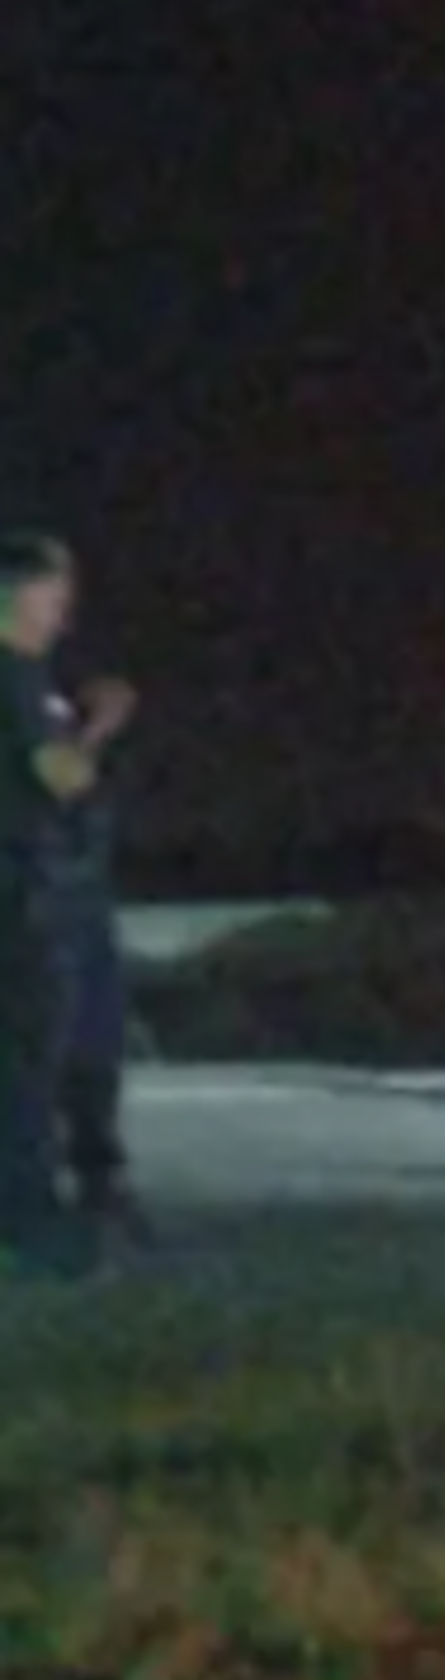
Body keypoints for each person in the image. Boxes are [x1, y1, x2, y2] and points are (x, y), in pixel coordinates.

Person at [0, 532, 124, 1276]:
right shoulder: (13, 678)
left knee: (51, 1060)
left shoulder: (30, 676)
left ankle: (59, 1203)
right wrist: (101, 726)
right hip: (27, 902)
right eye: (53, 597)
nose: (63, 615)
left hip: (41, 897)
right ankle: (33, 1222)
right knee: (31, 1069)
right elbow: (61, 775)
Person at [42, 637, 145, 1245]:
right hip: (40, 892)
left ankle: (99, 1175)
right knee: (54, 1042)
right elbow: (51, 780)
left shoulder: (45, 681)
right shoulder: (19, 692)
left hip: (78, 886)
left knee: (95, 1036)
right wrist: (97, 730)